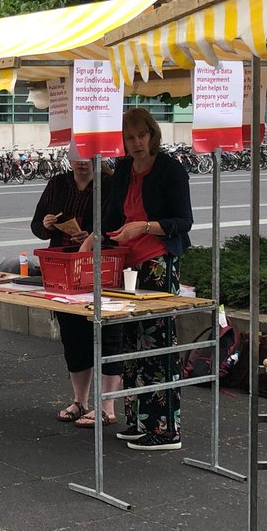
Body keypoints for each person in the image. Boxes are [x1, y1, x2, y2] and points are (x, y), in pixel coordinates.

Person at [91, 107, 194, 451]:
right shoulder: (122, 168)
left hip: (158, 262)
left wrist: (145, 227)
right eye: (129, 137)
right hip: (127, 263)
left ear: (152, 135)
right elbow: (111, 214)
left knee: (158, 345)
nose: (135, 143)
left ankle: (166, 429)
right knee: (132, 346)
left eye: (140, 135)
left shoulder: (169, 169)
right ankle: (138, 421)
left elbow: (184, 221)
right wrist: (95, 235)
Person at [30, 159, 118, 425]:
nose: (82, 165)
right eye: (77, 160)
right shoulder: (57, 183)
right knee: (72, 332)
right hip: (63, 267)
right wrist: (46, 224)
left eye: (88, 160)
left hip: (101, 266)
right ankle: (80, 400)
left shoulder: (110, 184)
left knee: (108, 334)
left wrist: (94, 236)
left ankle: (107, 407)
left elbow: (119, 226)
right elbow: (36, 226)